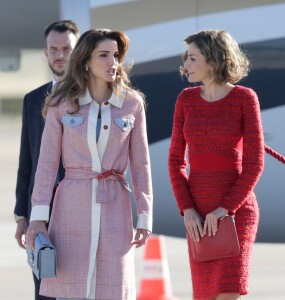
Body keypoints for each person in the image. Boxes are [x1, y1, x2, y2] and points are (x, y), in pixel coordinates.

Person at [26, 28, 153, 300]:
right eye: (104, 55)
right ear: (86, 61)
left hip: (116, 208)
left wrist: (144, 215)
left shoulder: (132, 104)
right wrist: (38, 218)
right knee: (71, 289)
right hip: (71, 206)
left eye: (116, 56)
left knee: (113, 289)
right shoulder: (61, 104)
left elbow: (141, 165)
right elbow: (47, 165)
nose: (113, 63)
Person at [168, 30, 264, 300]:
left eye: (192, 58)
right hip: (197, 214)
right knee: (205, 295)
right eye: (186, 58)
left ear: (214, 60)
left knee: (228, 292)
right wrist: (186, 209)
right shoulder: (185, 100)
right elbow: (175, 162)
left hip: (235, 212)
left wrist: (225, 209)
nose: (185, 64)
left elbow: (254, 164)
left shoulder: (245, 98)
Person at [14, 20, 80, 300]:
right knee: (44, 291)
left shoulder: (91, 98)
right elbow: (26, 161)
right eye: (54, 49)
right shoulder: (32, 100)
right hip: (41, 214)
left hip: (79, 210)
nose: (60, 55)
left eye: (66, 48)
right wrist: (21, 215)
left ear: (79, 52)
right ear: (45, 52)